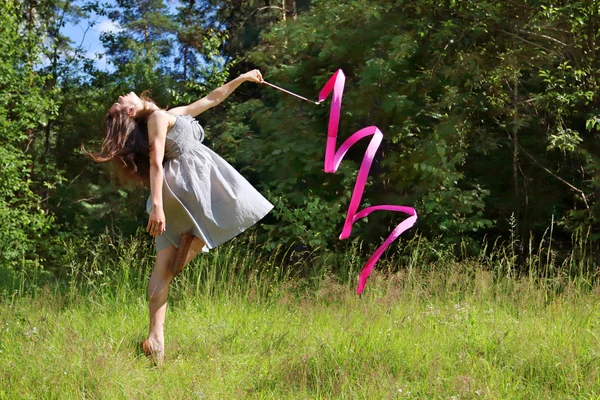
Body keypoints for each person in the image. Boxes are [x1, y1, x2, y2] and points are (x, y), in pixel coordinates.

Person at [85, 70, 273, 363]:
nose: (120, 97)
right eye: (119, 103)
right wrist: (157, 206)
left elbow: (212, 98)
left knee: (164, 269)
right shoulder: (158, 119)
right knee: (234, 206)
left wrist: (242, 79)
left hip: (173, 192)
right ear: (131, 111)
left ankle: (155, 339)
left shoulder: (167, 114)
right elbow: (156, 163)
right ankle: (194, 241)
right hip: (187, 186)